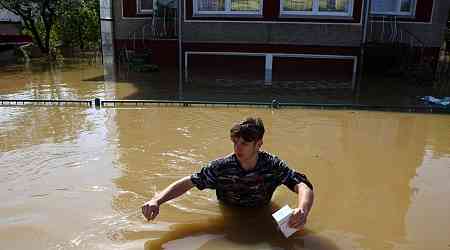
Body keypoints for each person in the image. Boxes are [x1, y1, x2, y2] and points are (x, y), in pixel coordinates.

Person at [142, 117, 314, 231]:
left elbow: (302, 184)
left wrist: (302, 210)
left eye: (245, 143)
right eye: (235, 142)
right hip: (229, 212)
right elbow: (188, 182)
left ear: (258, 144)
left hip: (261, 211)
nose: (238, 148)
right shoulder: (221, 167)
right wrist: (157, 200)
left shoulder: (272, 165)